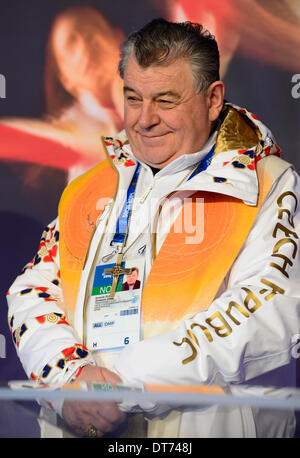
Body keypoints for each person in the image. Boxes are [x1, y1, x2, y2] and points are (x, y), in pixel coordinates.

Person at [7, 18, 300, 438]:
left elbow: (270, 310)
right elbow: (32, 291)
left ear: (213, 98)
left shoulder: (269, 182)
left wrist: (114, 383)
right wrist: (68, 377)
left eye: (165, 100)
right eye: (133, 98)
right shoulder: (91, 186)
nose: (145, 119)